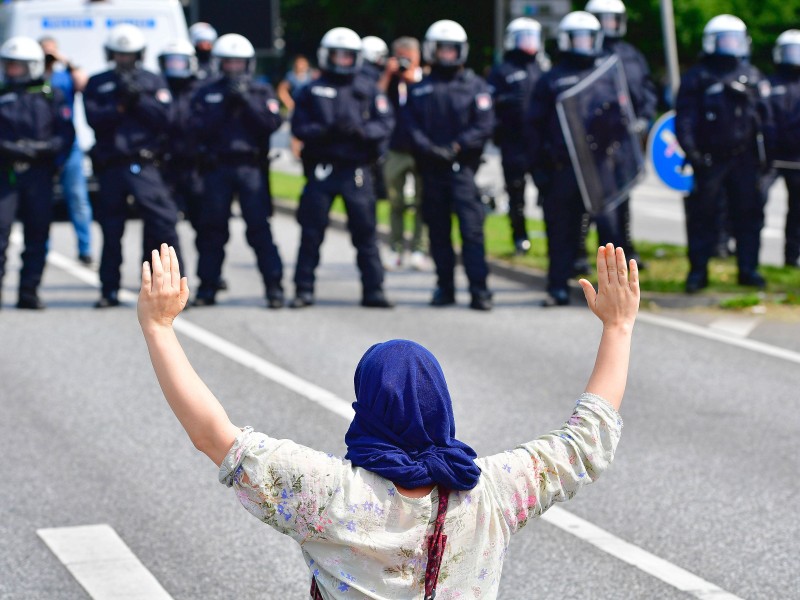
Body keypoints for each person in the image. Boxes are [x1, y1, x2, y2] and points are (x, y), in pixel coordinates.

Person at [137, 241, 638, 598]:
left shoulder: (327, 494)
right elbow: (585, 440)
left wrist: (159, 328)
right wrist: (618, 327)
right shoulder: (490, 493)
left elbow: (213, 436)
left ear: (366, 412)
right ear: (442, 406)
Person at [290, 27, 394, 309]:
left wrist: (360, 131)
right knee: (311, 233)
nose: (342, 61)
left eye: (348, 56)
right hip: (322, 169)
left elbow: (385, 124)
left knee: (366, 233)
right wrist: (324, 131)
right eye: (337, 55)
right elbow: (298, 126)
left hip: (357, 170)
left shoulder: (368, 88)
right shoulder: (310, 89)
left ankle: (374, 290)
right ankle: (303, 289)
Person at [527, 11, 625, 307]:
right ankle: (557, 286)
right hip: (563, 168)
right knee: (561, 231)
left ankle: (616, 293)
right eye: (578, 38)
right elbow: (534, 128)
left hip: (599, 168)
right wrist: (539, 169)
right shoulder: (550, 79)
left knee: (609, 233)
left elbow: (621, 118)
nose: (584, 44)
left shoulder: (608, 73)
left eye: (588, 37)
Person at [84, 23, 182, 309]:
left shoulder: (153, 81)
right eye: (118, 55)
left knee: (161, 225)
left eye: (128, 55)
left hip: (145, 164)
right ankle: (109, 289)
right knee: (111, 230)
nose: (123, 60)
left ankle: (158, 288)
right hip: (111, 165)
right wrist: (119, 104)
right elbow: (94, 118)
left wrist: (138, 98)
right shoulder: (98, 82)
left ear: (139, 54)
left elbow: (165, 118)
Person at [188, 34, 285, 309]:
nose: (233, 68)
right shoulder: (206, 91)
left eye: (238, 63)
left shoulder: (260, 91)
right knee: (212, 230)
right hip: (217, 168)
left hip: (250, 168)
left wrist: (245, 102)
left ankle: (274, 287)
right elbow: (196, 128)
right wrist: (224, 105)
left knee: (259, 229)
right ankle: (207, 286)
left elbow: (272, 123)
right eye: (228, 62)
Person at [675, 14, 770, 293]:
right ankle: (698, 273)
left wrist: (765, 157)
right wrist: (693, 153)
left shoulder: (751, 75)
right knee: (702, 217)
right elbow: (685, 119)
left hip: (744, 160)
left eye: (734, 39)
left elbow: (766, 119)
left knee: (748, 216)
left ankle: (748, 269)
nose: (730, 45)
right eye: (724, 39)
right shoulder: (698, 77)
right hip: (710, 160)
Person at [404, 20, 495, 311]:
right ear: (432, 50)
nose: (446, 55)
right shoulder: (420, 89)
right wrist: (429, 148)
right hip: (432, 171)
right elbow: (409, 125)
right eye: (441, 49)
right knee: (438, 233)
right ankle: (445, 287)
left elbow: (484, 124)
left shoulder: (474, 85)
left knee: (472, 232)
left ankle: (479, 290)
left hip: (462, 171)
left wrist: (457, 146)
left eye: (451, 50)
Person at [0, 36, 75, 309]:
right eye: (8, 65)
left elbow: (65, 135)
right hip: (6, 174)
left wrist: (41, 150)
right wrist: (11, 149)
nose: (11, 71)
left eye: (17, 66)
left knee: (37, 234)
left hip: (39, 175)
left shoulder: (51, 94)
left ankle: (29, 291)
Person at [583, 0, 657, 271]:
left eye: (614, 19)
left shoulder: (632, 54)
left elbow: (647, 90)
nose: (609, 25)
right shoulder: (588, 54)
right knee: (595, 203)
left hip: (626, 140)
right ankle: (587, 253)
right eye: (603, 19)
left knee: (624, 197)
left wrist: (644, 119)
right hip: (596, 142)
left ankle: (625, 251)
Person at [487, 17, 548, 256]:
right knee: (516, 193)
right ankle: (519, 237)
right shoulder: (502, 71)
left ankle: (552, 237)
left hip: (541, 145)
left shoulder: (542, 69)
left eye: (532, 37)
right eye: (525, 38)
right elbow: (489, 106)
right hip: (513, 144)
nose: (529, 43)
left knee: (548, 193)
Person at [39, 36, 94, 266]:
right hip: (42, 149)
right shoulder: (34, 77)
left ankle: (85, 248)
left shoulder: (65, 75)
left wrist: (65, 60)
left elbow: (84, 84)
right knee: (40, 202)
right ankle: (42, 250)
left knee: (78, 199)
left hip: (68, 145)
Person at [380, 36, 427, 271]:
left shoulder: (426, 81)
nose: (404, 63)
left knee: (422, 202)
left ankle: (419, 248)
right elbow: (374, 101)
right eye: (400, 58)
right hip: (396, 149)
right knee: (395, 202)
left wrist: (412, 80)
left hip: (421, 152)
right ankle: (395, 248)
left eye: (408, 58)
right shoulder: (390, 83)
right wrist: (389, 75)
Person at [764, 30, 800, 269]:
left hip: (798, 159)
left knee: (797, 212)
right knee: (753, 204)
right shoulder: (768, 84)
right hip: (769, 159)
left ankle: (792, 257)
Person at [276, 55, 318, 160]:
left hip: (309, 108)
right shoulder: (291, 76)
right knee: (296, 130)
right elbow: (282, 90)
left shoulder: (310, 76)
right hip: (297, 107)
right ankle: (296, 154)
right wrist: (289, 102)